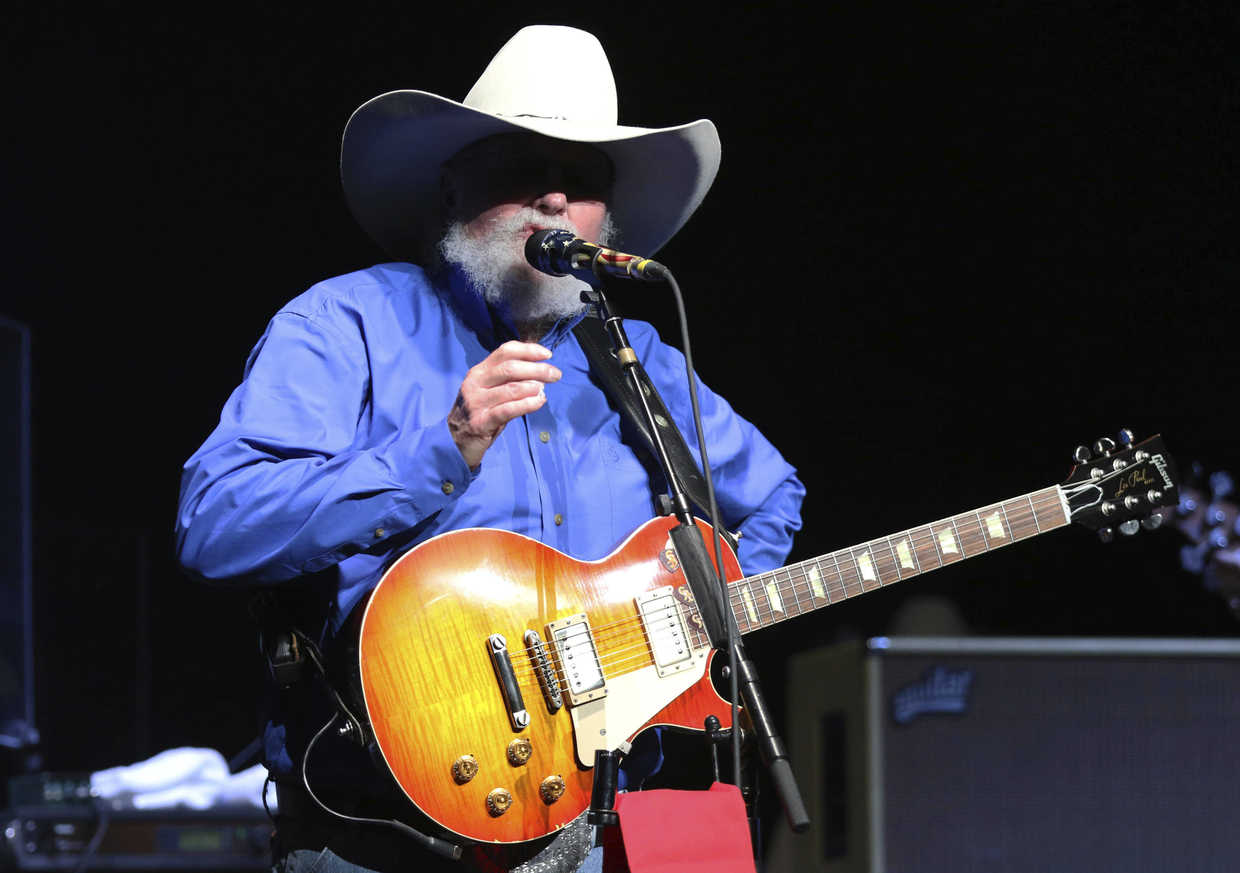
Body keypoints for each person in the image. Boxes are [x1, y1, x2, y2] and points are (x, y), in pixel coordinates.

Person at [176, 25, 804, 873]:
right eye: (522, 171)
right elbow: (216, 527)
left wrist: (688, 622)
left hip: (601, 831)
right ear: (452, 191)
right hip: (385, 837)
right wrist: (444, 448)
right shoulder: (345, 323)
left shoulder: (636, 358)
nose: (554, 200)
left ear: (603, 221)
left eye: (581, 182)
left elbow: (771, 495)